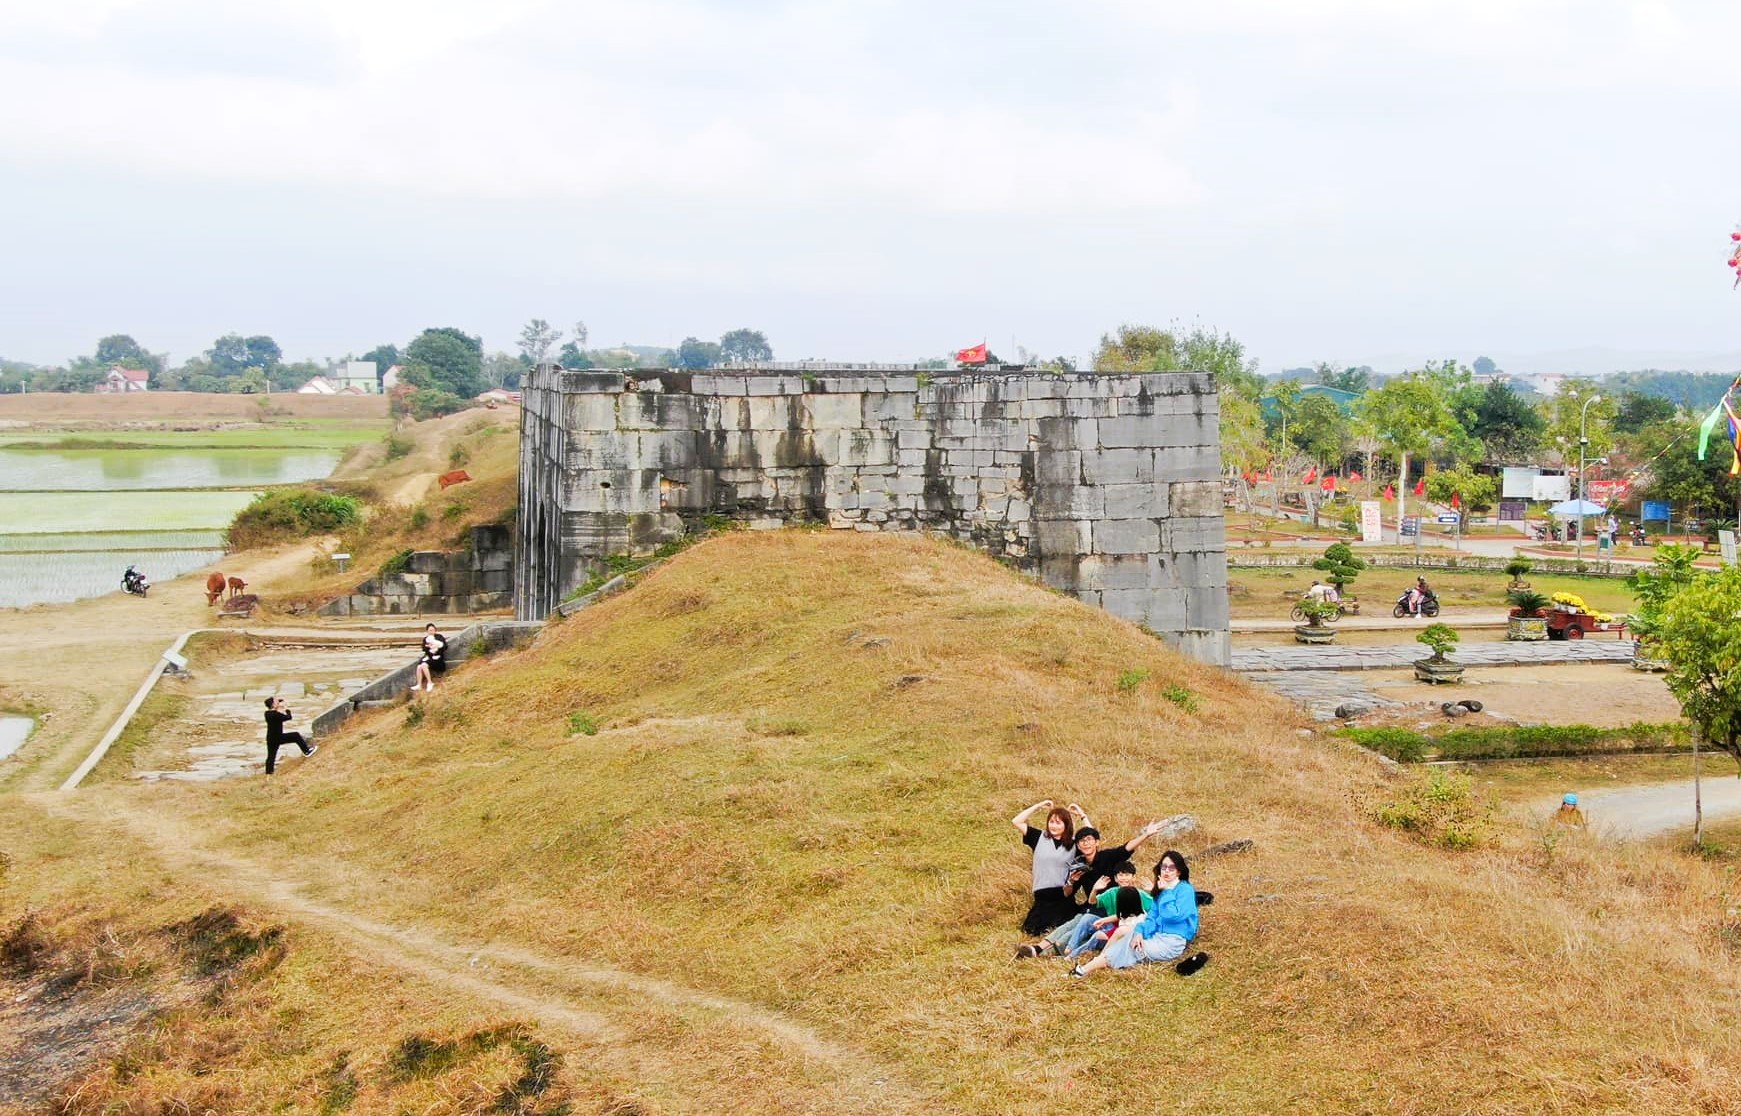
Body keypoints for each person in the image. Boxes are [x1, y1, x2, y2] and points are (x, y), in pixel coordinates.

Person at [1015, 817, 1173, 958]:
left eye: (1090, 839)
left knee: (1075, 930)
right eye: (1082, 841)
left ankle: (1045, 952)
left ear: (1097, 842)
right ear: (1078, 845)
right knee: (1071, 924)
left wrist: (1146, 834)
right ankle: (1037, 948)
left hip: (1110, 909)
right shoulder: (1079, 866)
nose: (1086, 843)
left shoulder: (1107, 856)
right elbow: (1067, 893)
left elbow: (1127, 848)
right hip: (1092, 906)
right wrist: (1070, 881)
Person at [1069, 850, 1201, 977]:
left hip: (1172, 940)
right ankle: (1086, 968)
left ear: (1179, 871)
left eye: (1171, 868)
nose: (1166, 871)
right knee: (1128, 935)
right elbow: (1152, 917)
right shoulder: (1162, 888)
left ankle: (1084, 970)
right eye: (1164, 866)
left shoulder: (1184, 890)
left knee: (1130, 948)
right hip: (1155, 934)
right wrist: (1139, 932)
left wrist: (1165, 892)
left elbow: (1174, 916)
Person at [1012, 800, 1084, 936]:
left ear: (1066, 825)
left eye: (1058, 822)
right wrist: (1038, 806)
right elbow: (1017, 821)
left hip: (1063, 894)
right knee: (1033, 930)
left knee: (1065, 926)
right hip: (1042, 893)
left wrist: (1082, 815)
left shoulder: (1073, 844)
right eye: (1051, 821)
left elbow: (1092, 838)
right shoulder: (1039, 837)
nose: (1053, 826)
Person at [263, 696, 316, 775]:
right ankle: (307, 751)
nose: (278, 702)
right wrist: (286, 708)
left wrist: (279, 702)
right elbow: (288, 717)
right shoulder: (276, 715)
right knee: (296, 735)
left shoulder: (267, 714)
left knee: (271, 757)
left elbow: (275, 710)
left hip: (270, 738)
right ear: (273, 705)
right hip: (278, 737)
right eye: (276, 702)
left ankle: (269, 773)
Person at [413, 623, 448, 693]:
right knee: (419, 666)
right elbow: (424, 648)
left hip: (438, 659)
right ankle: (419, 684)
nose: (431, 632)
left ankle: (430, 682)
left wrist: (437, 648)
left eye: (433, 630)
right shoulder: (426, 639)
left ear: (435, 630)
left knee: (423, 665)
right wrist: (428, 647)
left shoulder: (439, 637)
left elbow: (444, 647)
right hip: (429, 657)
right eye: (430, 630)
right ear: (427, 631)